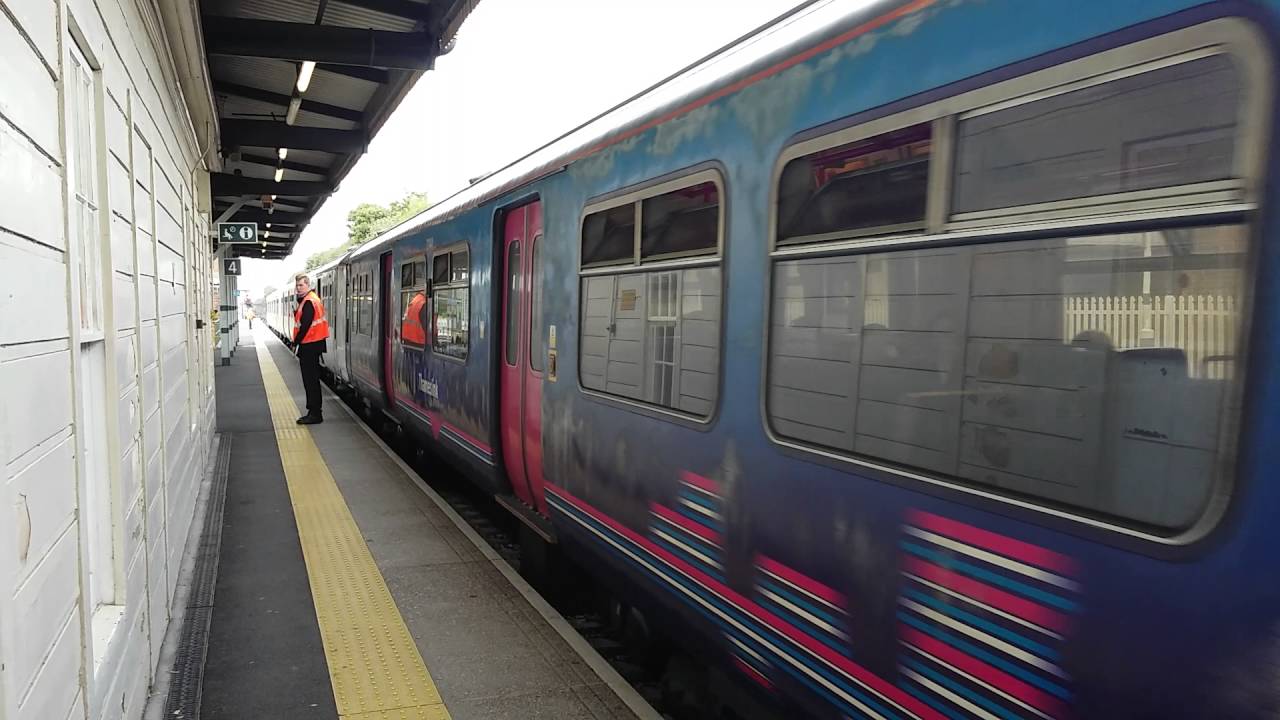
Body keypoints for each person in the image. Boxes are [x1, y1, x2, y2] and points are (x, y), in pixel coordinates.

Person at [291, 273, 329, 424]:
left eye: (301, 285)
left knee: (310, 381)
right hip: (313, 344)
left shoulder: (308, 301)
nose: (298, 288)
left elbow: (306, 325)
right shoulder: (312, 299)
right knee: (312, 380)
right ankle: (314, 411)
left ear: (308, 285)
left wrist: (296, 342)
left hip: (310, 345)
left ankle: (315, 413)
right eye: (297, 285)